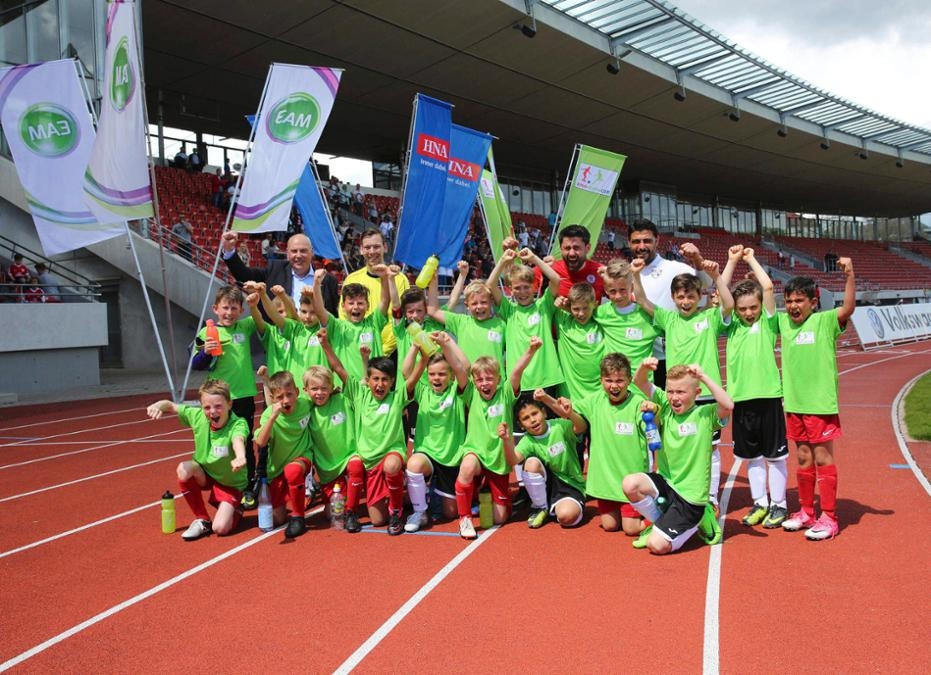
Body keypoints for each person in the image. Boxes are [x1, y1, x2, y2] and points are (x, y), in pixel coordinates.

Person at [634, 257, 734, 510]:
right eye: (680, 297)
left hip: (704, 396)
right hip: (677, 395)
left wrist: (717, 277)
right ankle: (679, 492)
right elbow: (642, 301)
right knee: (677, 444)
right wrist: (635, 275)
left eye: (691, 296)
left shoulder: (710, 318)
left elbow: (729, 304)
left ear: (700, 297)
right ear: (673, 298)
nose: (686, 301)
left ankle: (710, 497)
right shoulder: (668, 319)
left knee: (709, 447)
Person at [778, 258, 856, 541]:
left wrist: (850, 275)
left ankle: (830, 517)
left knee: (822, 458)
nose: (793, 306)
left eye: (799, 300)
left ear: (813, 302)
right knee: (802, 457)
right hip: (794, 403)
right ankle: (807, 512)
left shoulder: (824, 322)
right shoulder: (784, 324)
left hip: (820, 404)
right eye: (789, 301)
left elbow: (848, 308)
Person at [624, 362, 734, 554]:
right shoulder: (665, 407)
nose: (674, 397)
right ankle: (661, 523)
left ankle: (702, 518)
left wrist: (703, 376)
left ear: (697, 393)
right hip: (667, 485)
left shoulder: (705, 415)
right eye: (670, 391)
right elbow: (639, 381)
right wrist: (644, 366)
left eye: (681, 392)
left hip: (690, 499)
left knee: (656, 546)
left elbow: (728, 405)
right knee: (630, 484)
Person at [720, 246, 789, 528]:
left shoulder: (769, 322)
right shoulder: (732, 325)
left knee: (775, 456)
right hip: (741, 400)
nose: (748, 312)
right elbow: (722, 291)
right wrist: (731, 261)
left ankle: (779, 505)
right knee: (753, 458)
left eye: (753, 307)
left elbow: (768, 287)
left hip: (769, 398)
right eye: (743, 308)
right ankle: (760, 502)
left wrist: (750, 259)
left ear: (761, 306)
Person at [454, 339, 540, 539]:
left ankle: (487, 491)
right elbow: (459, 368)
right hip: (476, 452)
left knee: (499, 518)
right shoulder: (471, 393)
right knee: (467, 466)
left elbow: (517, 371)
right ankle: (464, 518)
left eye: (489, 378)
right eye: (480, 379)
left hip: (499, 458)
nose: (485, 383)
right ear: (474, 382)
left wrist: (531, 350)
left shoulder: (506, 393)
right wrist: (446, 342)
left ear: (499, 379)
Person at [146, 380, 248, 541]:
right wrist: (158, 405)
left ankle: (236, 508)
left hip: (230, 483)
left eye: (218, 406)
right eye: (207, 407)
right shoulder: (198, 416)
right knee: (184, 468)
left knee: (220, 528)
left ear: (229, 404)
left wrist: (240, 456)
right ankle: (202, 519)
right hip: (205, 474)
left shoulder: (238, 424)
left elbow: (238, 440)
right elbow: (170, 405)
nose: (212, 412)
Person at [190, 286, 259, 507]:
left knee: (244, 441)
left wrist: (258, 297)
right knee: (220, 442)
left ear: (241, 311)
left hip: (243, 396)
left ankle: (248, 487)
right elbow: (195, 364)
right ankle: (221, 483)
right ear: (215, 308)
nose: (229, 313)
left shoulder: (245, 326)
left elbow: (263, 316)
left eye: (234, 308)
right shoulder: (206, 332)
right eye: (225, 308)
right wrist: (205, 352)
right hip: (218, 400)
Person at [570, 352, 649, 535]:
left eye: (620, 380)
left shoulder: (638, 403)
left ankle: (659, 515)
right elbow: (569, 408)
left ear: (629, 380)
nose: (614, 385)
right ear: (601, 380)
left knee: (631, 529)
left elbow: (652, 430)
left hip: (631, 484)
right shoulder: (595, 400)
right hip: (606, 483)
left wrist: (653, 411)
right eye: (608, 380)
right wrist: (552, 401)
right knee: (610, 526)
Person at [626, 219, 710, 388]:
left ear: (657, 240)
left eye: (647, 241)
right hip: (637, 355)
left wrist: (697, 259)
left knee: (673, 401)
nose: (641, 246)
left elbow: (706, 284)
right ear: (629, 243)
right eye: (636, 241)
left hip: (670, 355)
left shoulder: (673, 268)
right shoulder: (624, 273)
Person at [401, 331, 470, 532]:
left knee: (450, 513)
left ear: (450, 375)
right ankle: (419, 511)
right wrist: (416, 346)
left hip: (451, 458)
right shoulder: (422, 391)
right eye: (432, 374)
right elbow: (406, 372)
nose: (436, 378)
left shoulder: (457, 391)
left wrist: (447, 342)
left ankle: (430, 491)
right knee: (413, 464)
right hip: (427, 453)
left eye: (441, 374)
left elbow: (465, 367)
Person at [503, 390, 588, 529]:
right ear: (521, 425)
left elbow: (581, 426)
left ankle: (561, 506)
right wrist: (506, 440)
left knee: (566, 517)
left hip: (570, 484)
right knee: (531, 463)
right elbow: (513, 460)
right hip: (547, 485)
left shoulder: (559, 426)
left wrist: (570, 413)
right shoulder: (527, 440)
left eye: (535, 413)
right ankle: (540, 507)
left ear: (544, 413)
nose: (532, 420)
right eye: (526, 418)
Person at [221, 230, 339, 318]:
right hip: (278, 338)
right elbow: (244, 275)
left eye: (303, 251)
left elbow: (333, 315)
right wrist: (229, 251)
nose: (298, 256)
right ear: (287, 253)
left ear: (312, 253)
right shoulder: (275, 269)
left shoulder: (328, 280)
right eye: (294, 251)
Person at [253, 371, 314, 539]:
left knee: (293, 470)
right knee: (277, 519)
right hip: (277, 468)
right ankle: (294, 498)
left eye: (289, 394)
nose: (286, 401)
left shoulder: (305, 404)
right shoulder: (269, 415)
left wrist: (333, 391)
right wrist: (273, 416)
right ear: (273, 399)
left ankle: (298, 517)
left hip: (301, 458)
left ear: (297, 392)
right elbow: (261, 442)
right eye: (280, 397)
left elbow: (320, 396)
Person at [313, 266, 390, 383]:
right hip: (345, 388)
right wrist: (316, 283)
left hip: (372, 388)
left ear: (368, 306)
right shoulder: (336, 326)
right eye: (351, 303)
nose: (355, 307)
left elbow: (385, 300)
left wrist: (384, 277)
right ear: (343, 306)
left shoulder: (374, 322)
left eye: (360, 303)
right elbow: (319, 310)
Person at [340, 229, 407, 353]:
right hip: (360, 351)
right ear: (361, 250)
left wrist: (383, 350)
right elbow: (344, 317)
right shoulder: (351, 279)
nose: (371, 252)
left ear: (385, 247)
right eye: (367, 247)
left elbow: (403, 316)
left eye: (376, 247)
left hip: (392, 352)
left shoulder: (399, 279)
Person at [595, 258, 659, 378]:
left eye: (623, 290)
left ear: (632, 288)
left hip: (641, 384)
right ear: (606, 290)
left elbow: (673, 326)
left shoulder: (647, 314)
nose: (618, 296)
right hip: (614, 383)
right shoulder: (600, 313)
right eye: (613, 291)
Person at [522, 224, 605, 301]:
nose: (572, 253)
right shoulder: (548, 270)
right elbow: (517, 282)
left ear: (588, 248)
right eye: (567, 248)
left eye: (576, 248)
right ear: (561, 249)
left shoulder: (601, 273)